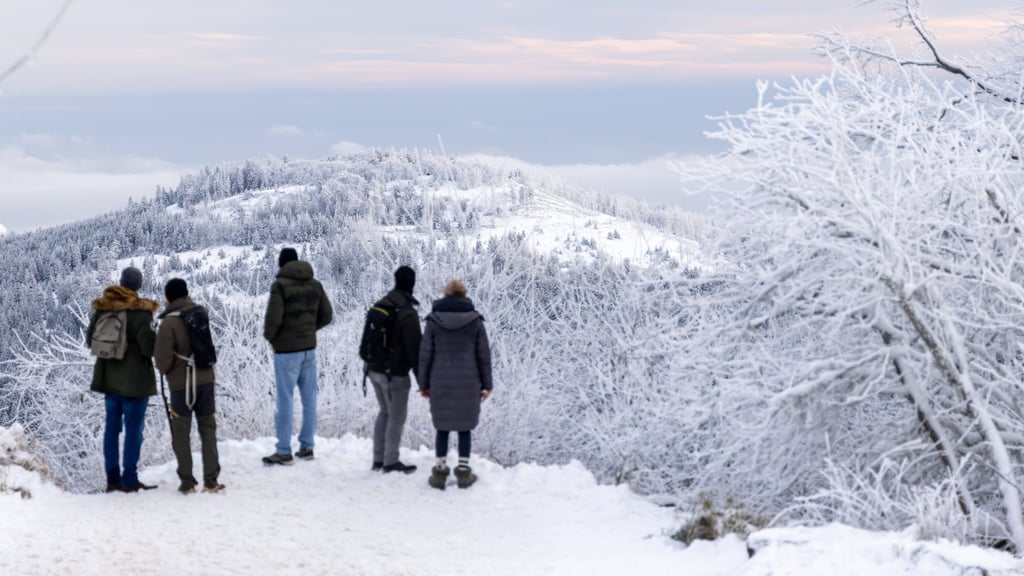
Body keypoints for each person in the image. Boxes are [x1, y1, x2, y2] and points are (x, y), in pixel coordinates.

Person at [87, 266, 159, 493]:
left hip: (110, 381)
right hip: (135, 384)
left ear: (120, 282)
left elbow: (91, 340)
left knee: (111, 430)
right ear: (138, 286)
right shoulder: (141, 312)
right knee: (133, 431)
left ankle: (112, 480)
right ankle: (129, 480)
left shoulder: (104, 309)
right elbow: (149, 348)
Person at [418, 279, 493, 489]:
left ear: (446, 295)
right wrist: (487, 385)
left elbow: (425, 356)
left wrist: (423, 384)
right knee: (464, 427)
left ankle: (440, 472)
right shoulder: (475, 322)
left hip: (439, 382)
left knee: (442, 427)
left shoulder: (433, 321)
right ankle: (463, 472)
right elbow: (483, 356)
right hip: (468, 382)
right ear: (464, 295)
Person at [262, 248, 333, 465]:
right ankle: (307, 446)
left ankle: (284, 451)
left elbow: (272, 321)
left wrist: (274, 339)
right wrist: (310, 331)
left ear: (282, 265)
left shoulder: (280, 286)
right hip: (309, 349)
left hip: (286, 352)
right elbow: (327, 315)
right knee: (309, 398)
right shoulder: (315, 285)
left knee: (285, 400)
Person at [155, 278, 223, 494]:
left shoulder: (168, 324)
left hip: (180, 386)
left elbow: (162, 362)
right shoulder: (200, 313)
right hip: (205, 381)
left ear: (168, 298)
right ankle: (211, 481)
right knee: (208, 428)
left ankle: (187, 482)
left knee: (182, 433)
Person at [366, 265, 422, 474]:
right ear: (412, 284)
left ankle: (379, 459)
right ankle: (390, 462)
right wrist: (423, 381)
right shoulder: (407, 313)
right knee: (396, 418)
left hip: (373, 370)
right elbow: (415, 350)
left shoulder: (381, 305)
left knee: (384, 413)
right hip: (395, 374)